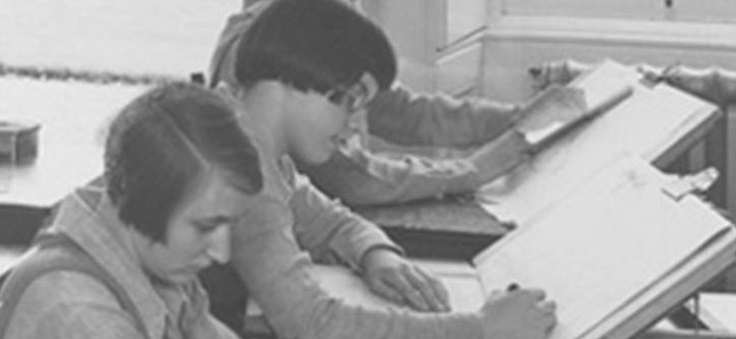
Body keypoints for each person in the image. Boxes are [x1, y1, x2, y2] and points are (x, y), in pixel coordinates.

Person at [0, 82, 469, 339]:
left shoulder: (152, 262)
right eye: (206, 227)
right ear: (139, 200)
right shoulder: (69, 307)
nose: (223, 253)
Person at [207, 0, 557, 339]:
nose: (352, 126)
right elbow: (313, 329)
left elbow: (327, 221)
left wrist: (375, 253)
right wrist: (481, 332)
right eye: (348, 103)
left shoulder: (251, 135)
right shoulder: (242, 169)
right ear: (292, 79)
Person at [209, 0, 584, 206]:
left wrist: (515, 117)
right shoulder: (276, 45)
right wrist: (470, 170)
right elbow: (352, 179)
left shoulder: (323, 16)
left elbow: (398, 109)